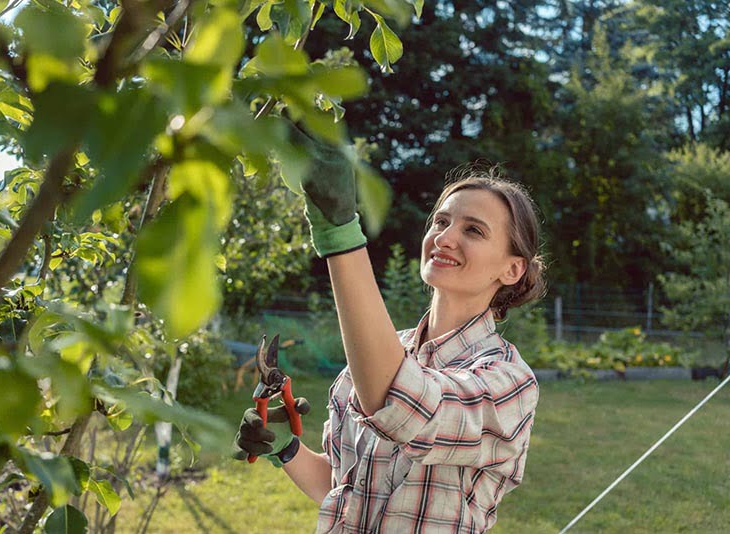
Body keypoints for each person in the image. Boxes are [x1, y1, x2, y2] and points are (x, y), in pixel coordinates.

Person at [233, 133, 546, 533]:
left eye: (474, 231)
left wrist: (340, 234)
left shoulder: (510, 382)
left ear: (512, 269)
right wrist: (285, 448)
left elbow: (402, 406)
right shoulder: (371, 359)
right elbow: (343, 485)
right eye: (442, 221)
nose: (445, 237)